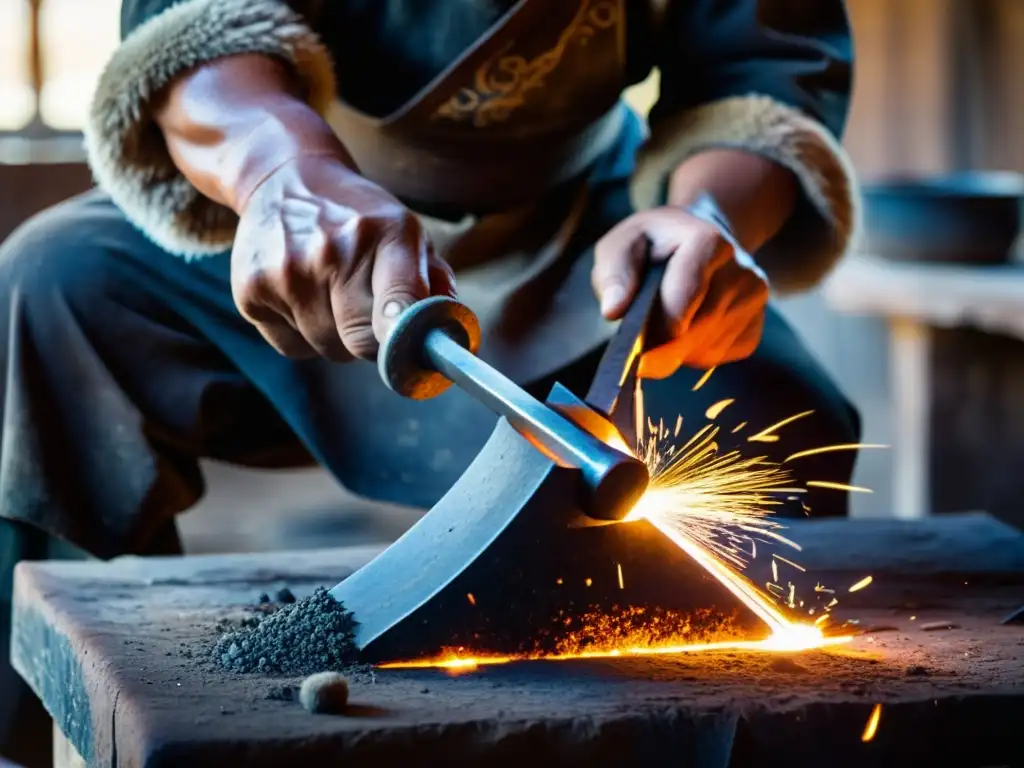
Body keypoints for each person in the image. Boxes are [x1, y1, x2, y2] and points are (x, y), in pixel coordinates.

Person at [0, 0, 861, 760]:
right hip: (294, 225)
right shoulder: (279, 188)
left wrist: (707, 218)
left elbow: (760, 62)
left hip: (589, 258)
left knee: (776, 412)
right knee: (52, 286)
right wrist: (279, 173)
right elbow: (190, 34)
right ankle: (52, 728)